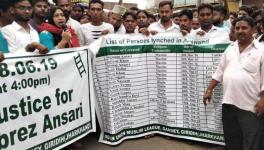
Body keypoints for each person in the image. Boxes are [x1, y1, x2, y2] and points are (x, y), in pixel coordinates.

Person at [203, 16, 264, 150]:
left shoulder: (261, 50)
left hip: (251, 107)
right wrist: (209, 90)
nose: (240, 31)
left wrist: (263, 100)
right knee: (232, 141)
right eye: (237, 28)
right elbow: (219, 72)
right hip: (229, 104)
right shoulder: (230, 49)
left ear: (253, 29)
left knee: (252, 142)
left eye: (244, 28)